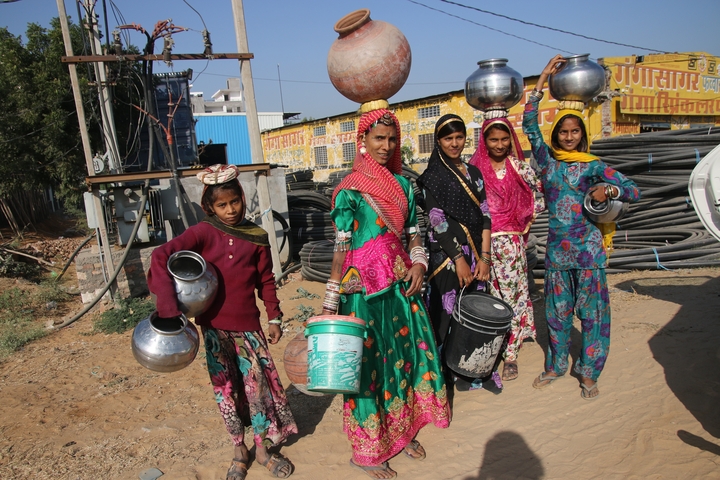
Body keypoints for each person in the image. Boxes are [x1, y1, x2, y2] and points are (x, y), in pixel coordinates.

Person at [320, 108, 450, 479]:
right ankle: (367, 450)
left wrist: (420, 264)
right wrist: (332, 298)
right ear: (362, 141)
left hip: (400, 286)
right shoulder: (350, 190)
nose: (386, 145)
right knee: (367, 367)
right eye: (378, 138)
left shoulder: (404, 186)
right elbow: (341, 247)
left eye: (392, 139)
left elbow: (413, 234)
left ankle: (403, 429)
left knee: (405, 359)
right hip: (361, 290)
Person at [148, 164, 297, 480]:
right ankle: (238, 450)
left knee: (257, 393)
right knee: (226, 393)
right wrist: (168, 306)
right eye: (222, 205)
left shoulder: (256, 236)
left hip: (250, 331)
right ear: (209, 207)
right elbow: (161, 256)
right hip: (215, 330)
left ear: (243, 198)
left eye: (235, 202)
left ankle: (261, 450)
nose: (230, 210)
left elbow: (266, 280)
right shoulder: (202, 232)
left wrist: (274, 316)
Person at [522, 55, 640, 400]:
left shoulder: (593, 166)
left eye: (575, 131)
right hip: (558, 253)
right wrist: (542, 79)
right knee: (557, 316)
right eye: (563, 131)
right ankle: (556, 366)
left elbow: (633, 189)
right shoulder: (548, 163)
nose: (569, 136)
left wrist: (611, 189)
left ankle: (588, 373)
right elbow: (530, 125)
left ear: (581, 134)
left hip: (589, 253)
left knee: (592, 317)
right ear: (556, 133)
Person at [416, 114, 494, 392]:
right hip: (448, 259)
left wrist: (484, 258)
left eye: (459, 137)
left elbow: (485, 215)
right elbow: (438, 222)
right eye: (448, 138)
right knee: (444, 314)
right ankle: (441, 373)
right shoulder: (433, 177)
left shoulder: (474, 174)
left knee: (473, 314)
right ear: (438, 141)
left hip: (477, 255)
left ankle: (470, 369)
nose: (454, 143)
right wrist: (459, 260)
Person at [469, 117, 545, 382]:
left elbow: (539, 194)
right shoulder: (475, 170)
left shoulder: (519, 168)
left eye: (504, 139)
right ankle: (491, 350)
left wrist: (521, 217)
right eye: (493, 139)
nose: (499, 144)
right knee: (488, 297)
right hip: (483, 244)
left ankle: (510, 355)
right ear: (484, 141)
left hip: (511, 245)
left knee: (512, 298)